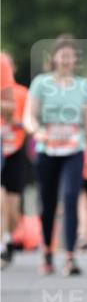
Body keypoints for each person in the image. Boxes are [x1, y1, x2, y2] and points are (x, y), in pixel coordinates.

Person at [24, 35, 87, 275]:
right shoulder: (41, 83)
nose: (65, 60)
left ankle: (70, 256)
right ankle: (47, 251)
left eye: (70, 56)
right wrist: (37, 132)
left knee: (71, 196)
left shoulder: (83, 85)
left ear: (75, 60)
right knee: (48, 201)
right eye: (62, 55)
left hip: (75, 147)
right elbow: (29, 116)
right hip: (47, 148)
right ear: (53, 58)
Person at [1, 55, 28, 269]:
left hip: (15, 147)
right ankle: (4, 239)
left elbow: (29, 122)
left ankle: (8, 235)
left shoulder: (22, 93)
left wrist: (16, 123)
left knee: (13, 202)